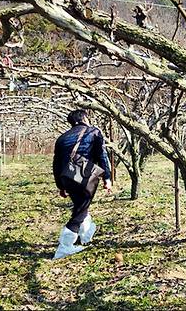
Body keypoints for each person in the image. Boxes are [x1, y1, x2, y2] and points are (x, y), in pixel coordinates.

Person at [52, 109, 112, 259]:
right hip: (84, 175)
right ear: (84, 118)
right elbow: (102, 155)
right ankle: (64, 246)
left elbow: (56, 164)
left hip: (67, 176)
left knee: (80, 206)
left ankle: (85, 236)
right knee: (80, 211)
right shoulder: (94, 132)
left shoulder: (62, 138)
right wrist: (107, 178)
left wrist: (60, 185)